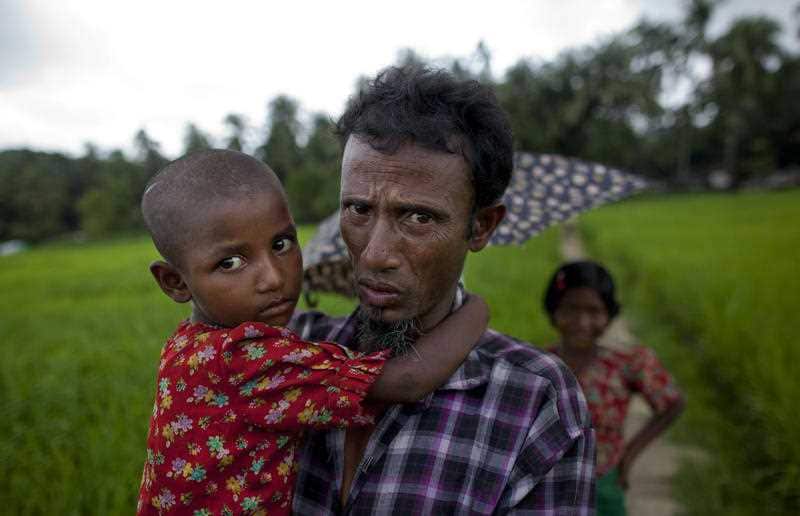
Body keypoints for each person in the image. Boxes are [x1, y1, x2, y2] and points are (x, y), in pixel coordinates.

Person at [289, 66, 595, 514]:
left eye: (418, 217)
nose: (375, 254)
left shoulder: (534, 401)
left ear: (481, 226)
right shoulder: (288, 349)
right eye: (358, 209)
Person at [136, 149, 490, 515]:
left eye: (281, 244)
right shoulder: (247, 357)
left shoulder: (187, 344)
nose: (273, 278)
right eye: (231, 263)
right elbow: (408, 380)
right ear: (174, 282)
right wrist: (475, 309)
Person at [544, 260, 685, 516]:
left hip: (603, 485)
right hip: (547, 485)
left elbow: (672, 403)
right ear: (554, 310)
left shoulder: (625, 364)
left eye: (594, 311)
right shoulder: (538, 365)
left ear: (608, 314)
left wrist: (628, 457)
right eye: (571, 309)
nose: (582, 321)